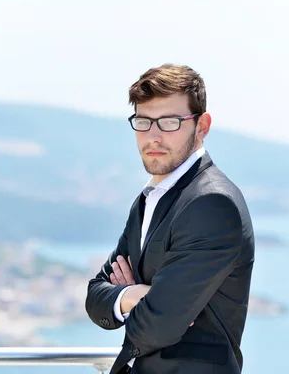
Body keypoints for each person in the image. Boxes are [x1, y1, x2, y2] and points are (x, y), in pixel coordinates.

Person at [85, 63, 255, 374]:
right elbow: (95, 297)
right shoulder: (150, 199)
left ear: (201, 126)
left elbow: (156, 326)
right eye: (143, 122)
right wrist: (135, 295)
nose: (153, 137)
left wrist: (142, 301)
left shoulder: (212, 203)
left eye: (169, 123)